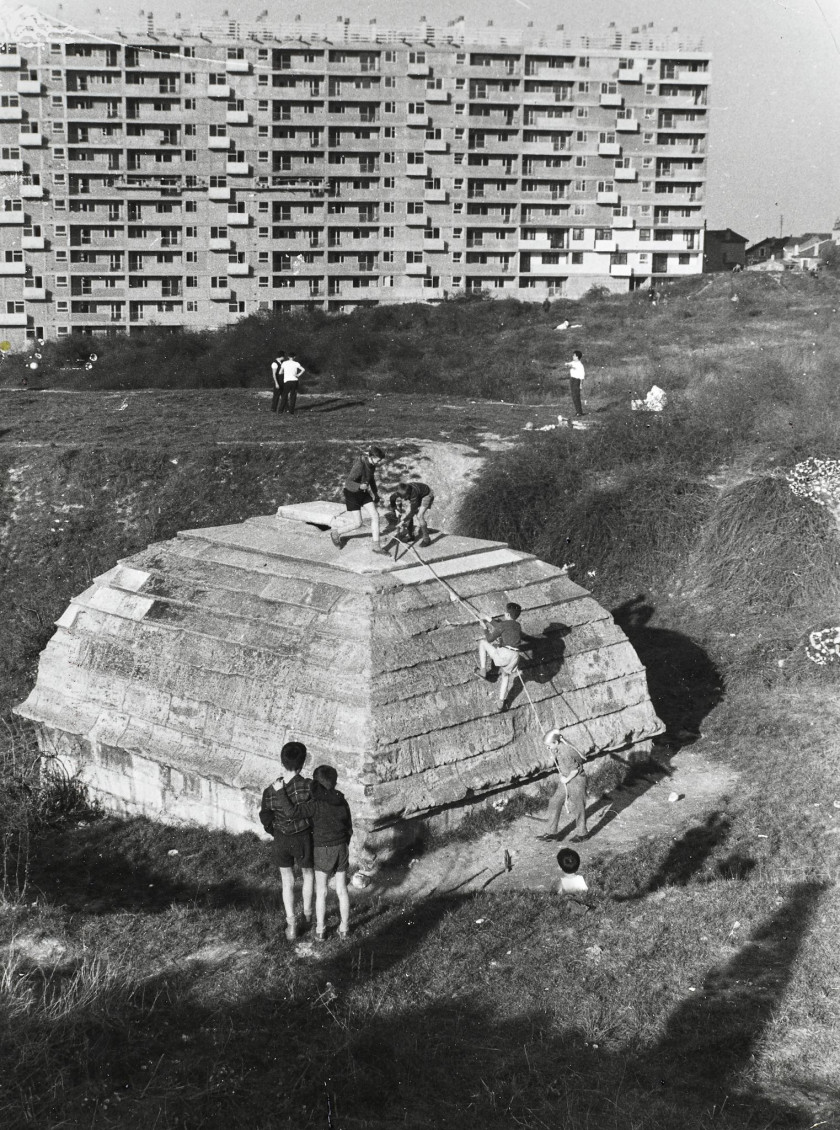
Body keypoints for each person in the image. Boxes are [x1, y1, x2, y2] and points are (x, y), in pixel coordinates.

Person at [269, 764, 353, 941]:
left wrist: (280, 791)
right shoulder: (342, 801)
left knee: (321, 891)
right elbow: (349, 828)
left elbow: (291, 812)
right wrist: (344, 846)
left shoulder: (314, 805)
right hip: (341, 848)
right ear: (335, 782)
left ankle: (321, 930)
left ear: (315, 783)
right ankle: (344, 928)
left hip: (322, 849)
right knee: (342, 890)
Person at [259, 741, 315, 941]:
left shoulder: (271, 790)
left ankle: (291, 924)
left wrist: (275, 830)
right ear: (303, 763)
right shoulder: (308, 786)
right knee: (308, 874)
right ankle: (308, 915)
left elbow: (265, 815)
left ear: (281, 761)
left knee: (287, 881)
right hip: (303, 837)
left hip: (282, 838)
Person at [329, 446, 388, 554]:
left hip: (363, 492)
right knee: (358, 523)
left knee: (375, 515)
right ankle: (336, 533)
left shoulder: (372, 465)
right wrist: (360, 486)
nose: (379, 462)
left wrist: (375, 493)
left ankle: (376, 546)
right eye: (378, 459)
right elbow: (348, 482)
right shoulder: (359, 465)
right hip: (352, 493)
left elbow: (371, 479)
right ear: (373, 457)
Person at [538, 728, 588, 843]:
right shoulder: (558, 748)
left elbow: (575, 770)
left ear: (555, 742)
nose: (548, 748)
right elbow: (557, 755)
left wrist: (566, 780)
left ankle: (583, 834)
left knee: (578, 806)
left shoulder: (565, 752)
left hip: (576, 780)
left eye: (549, 745)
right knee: (554, 802)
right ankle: (552, 833)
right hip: (566, 778)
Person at [476, 601, 525, 713]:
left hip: (505, 654)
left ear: (507, 615)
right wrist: (487, 618)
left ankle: (483, 670)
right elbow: (500, 626)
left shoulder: (503, 625)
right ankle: (500, 703)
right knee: (505, 676)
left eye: (505, 613)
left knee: (483, 643)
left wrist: (485, 628)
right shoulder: (517, 625)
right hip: (515, 655)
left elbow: (489, 638)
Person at [386, 481, 435, 548]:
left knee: (419, 516)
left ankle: (426, 540)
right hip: (418, 493)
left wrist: (402, 522)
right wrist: (395, 510)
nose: (404, 499)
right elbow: (392, 498)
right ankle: (411, 536)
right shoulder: (400, 491)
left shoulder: (413, 494)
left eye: (405, 497)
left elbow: (413, 511)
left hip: (426, 494)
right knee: (407, 513)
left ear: (408, 494)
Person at [562, 349, 585, 417]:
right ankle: (578, 411)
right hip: (572, 380)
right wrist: (566, 364)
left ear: (577, 357)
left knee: (576, 396)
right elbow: (569, 364)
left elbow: (582, 376)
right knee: (573, 396)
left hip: (576, 381)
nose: (573, 356)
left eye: (574, 355)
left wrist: (581, 384)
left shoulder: (579, 365)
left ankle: (579, 412)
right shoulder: (573, 362)